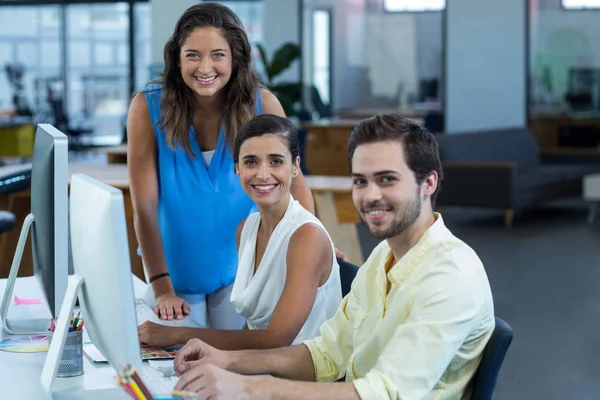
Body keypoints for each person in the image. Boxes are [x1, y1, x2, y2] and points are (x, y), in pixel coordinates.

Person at [170, 114, 496, 399]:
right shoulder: (381, 260)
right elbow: (324, 355)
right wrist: (225, 361)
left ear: (428, 183)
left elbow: (386, 394)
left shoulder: (451, 274)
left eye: (387, 179)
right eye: (360, 181)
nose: (370, 196)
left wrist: (248, 389)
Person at [127, 3, 315, 329]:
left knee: (235, 362)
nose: (205, 67)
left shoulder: (263, 104)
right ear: (177, 58)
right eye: (192, 55)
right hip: (174, 274)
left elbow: (295, 185)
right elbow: (144, 207)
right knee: (177, 369)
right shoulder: (147, 107)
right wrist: (161, 287)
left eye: (217, 54)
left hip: (242, 270)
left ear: (234, 57)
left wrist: (314, 244)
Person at [138, 114, 343, 349]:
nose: (263, 174)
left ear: (295, 167)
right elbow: (253, 327)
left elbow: (275, 339)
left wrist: (178, 335)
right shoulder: (246, 228)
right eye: (251, 162)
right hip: (263, 364)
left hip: (301, 374)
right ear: (237, 168)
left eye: (276, 161)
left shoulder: (307, 236)